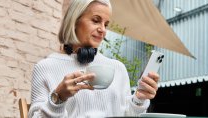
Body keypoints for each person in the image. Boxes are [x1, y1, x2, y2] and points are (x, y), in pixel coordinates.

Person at [28, 0, 160, 117]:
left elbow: (128, 115)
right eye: (96, 20)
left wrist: (139, 99)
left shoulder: (117, 68)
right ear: (74, 21)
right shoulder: (46, 67)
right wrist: (58, 98)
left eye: (106, 24)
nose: (103, 30)